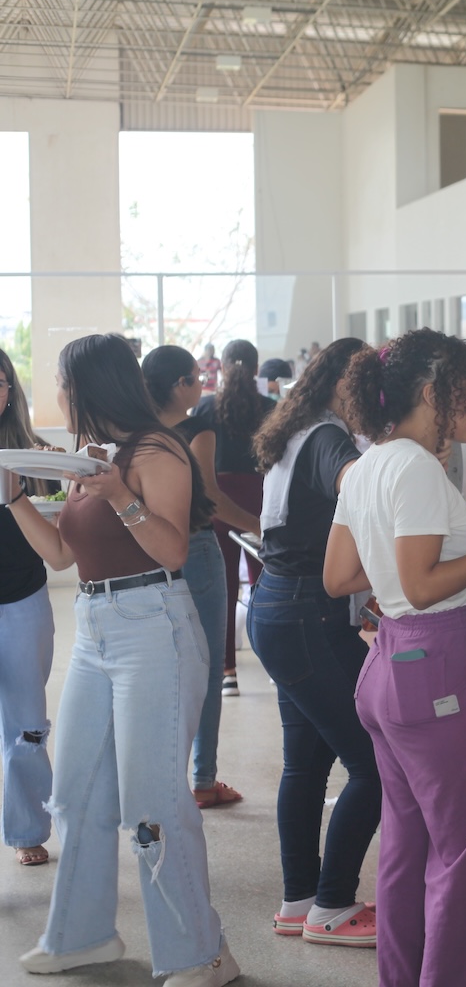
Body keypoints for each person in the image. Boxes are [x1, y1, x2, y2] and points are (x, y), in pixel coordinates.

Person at [7, 334, 238, 985]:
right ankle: (80, 936)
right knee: (75, 795)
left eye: (60, 377)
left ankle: (204, 954)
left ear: (87, 384)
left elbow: (169, 550)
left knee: (154, 801)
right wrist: (15, 496)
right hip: (94, 624)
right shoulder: (93, 455)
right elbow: (59, 556)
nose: (55, 388)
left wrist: (119, 497)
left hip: (153, 627)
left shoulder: (156, 450)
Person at [323, 328, 466, 986]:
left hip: (388, 670)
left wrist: (396, 583)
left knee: (406, 848)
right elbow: (422, 584)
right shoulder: (418, 467)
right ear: (431, 392)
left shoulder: (368, 464)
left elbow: (340, 577)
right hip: (435, 667)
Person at [247, 337, 382, 948]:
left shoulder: (297, 429)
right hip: (307, 615)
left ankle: (299, 899)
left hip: (280, 608)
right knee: (375, 763)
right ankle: (332, 906)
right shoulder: (329, 437)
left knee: (306, 763)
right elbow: (357, 483)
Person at [142, 345, 244, 809]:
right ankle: (202, 780)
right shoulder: (196, 428)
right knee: (202, 666)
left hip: (148, 553)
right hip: (197, 549)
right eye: (197, 378)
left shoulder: (135, 431)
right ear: (181, 385)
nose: (202, 385)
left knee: (163, 668)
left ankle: (161, 778)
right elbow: (212, 497)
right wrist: (263, 527)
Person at [192, 340, 276, 697]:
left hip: (218, 502)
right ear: (257, 369)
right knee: (264, 586)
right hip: (258, 499)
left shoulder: (205, 407)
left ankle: (228, 670)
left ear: (222, 368)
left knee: (224, 588)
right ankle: (274, 661)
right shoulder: (272, 407)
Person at [0, 348, 56, 868]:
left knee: (27, 724)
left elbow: (58, 534)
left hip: (22, 598)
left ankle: (27, 827)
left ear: (9, 390)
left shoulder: (31, 454)